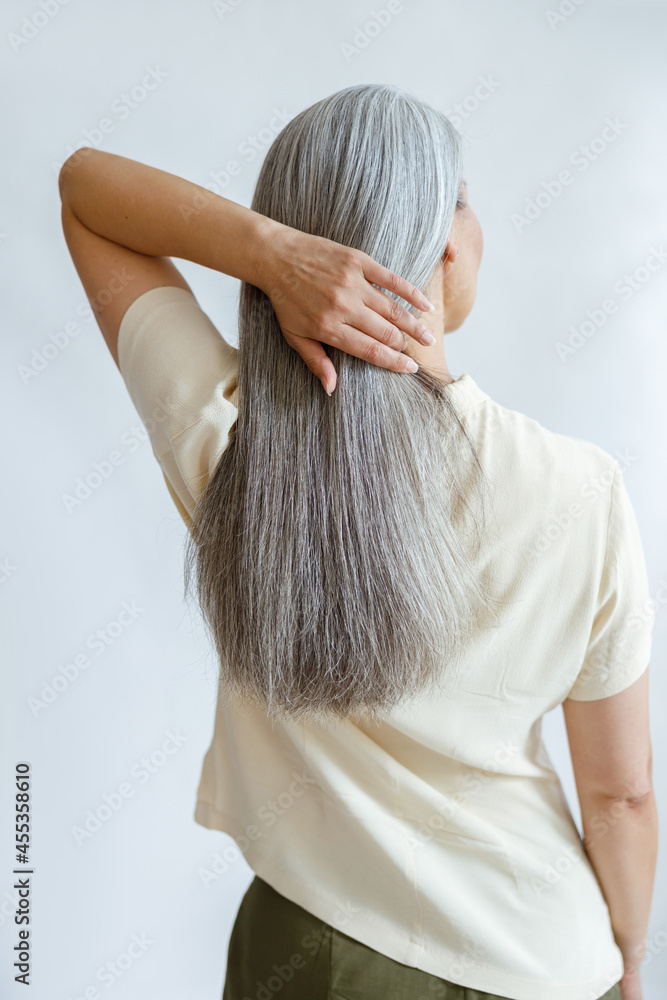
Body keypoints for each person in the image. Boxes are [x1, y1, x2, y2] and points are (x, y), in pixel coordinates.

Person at [58, 83, 656, 1000]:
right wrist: (628, 957)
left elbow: (85, 191)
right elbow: (620, 796)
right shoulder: (582, 491)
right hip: (543, 963)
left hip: (316, 957)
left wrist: (267, 254)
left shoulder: (231, 446)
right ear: (446, 245)